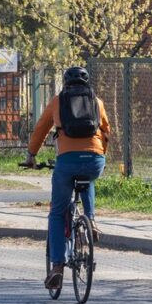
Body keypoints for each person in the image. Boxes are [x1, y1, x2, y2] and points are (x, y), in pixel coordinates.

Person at [22, 66, 111, 292]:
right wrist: (100, 155)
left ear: (65, 83)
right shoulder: (97, 102)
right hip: (95, 159)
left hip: (67, 162)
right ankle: (90, 221)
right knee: (88, 180)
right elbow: (107, 131)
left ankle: (57, 268)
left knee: (57, 213)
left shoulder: (57, 101)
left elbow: (41, 128)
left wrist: (32, 154)